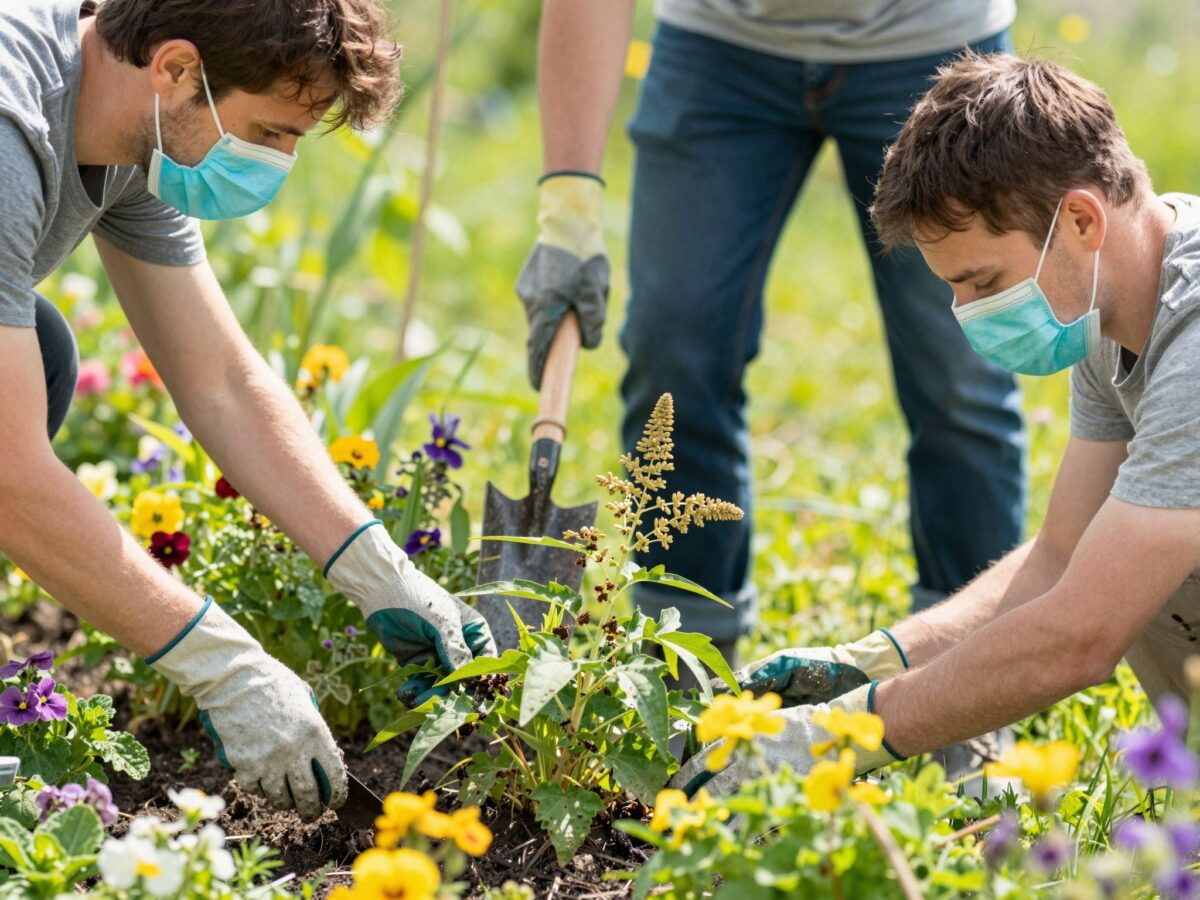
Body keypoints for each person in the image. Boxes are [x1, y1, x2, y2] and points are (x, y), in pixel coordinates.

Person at [0, 0, 495, 820]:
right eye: (271, 133)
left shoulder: (136, 132)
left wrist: (379, 571)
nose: (278, 162)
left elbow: (221, 379)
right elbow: (11, 475)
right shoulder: (12, 127)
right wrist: (223, 664)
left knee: (35, 356)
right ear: (178, 68)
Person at [672, 51, 1200, 796]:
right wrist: (872, 660)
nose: (972, 316)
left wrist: (834, 740)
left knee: (1150, 553)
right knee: (1135, 536)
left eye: (985, 283)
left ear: (1081, 218)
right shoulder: (1116, 300)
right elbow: (1061, 556)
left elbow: (1082, 633)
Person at [515, 0, 1028, 663]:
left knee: (963, 373)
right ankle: (685, 661)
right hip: (719, 46)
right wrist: (568, 211)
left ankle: (967, 665)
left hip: (930, 43)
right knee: (675, 346)